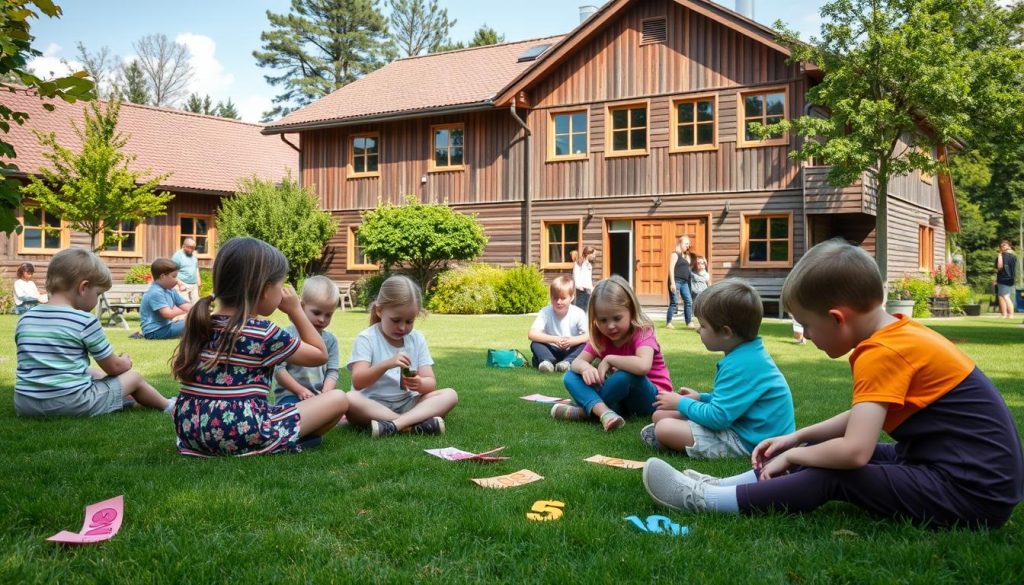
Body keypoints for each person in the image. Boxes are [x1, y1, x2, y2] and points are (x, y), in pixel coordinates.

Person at [643, 239, 1024, 529]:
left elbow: (855, 452)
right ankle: (723, 484)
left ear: (837, 318)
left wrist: (795, 455)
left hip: (971, 493)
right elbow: (864, 415)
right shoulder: (899, 335)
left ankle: (707, 500)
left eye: (807, 325)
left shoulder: (882, 352)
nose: (806, 335)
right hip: (958, 473)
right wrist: (797, 439)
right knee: (818, 448)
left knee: (834, 471)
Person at [171, 237, 348, 456]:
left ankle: (275, 438)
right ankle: (283, 442)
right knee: (339, 399)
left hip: (191, 431)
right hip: (241, 431)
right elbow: (320, 354)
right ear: (265, 290)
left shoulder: (199, 321)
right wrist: (295, 311)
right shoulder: (263, 332)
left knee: (269, 409)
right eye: (280, 285)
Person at [641, 279, 795, 458]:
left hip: (752, 441)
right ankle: (671, 436)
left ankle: (668, 438)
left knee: (664, 428)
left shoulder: (739, 365)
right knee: (660, 415)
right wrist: (701, 398)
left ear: (726, 332)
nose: (698, 330)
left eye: (703, 325)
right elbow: (734, 401)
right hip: (744, 426)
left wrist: (680, 403)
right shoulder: (748, 355)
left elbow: (718, 418)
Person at [14, 248, 174, 417]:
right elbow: (114, 367)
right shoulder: (83, 320)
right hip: (72, 403)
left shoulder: (26, 318)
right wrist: (125, 361)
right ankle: (168, 405)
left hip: (26, 404)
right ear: (84, 287)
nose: (97, 299)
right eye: (98, 293)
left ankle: (125, 400)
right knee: (133, 378)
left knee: (93, 373)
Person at [553, 275, 674, 432]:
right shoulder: (601, 337)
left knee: (625, 376)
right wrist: (586, 369)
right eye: (603, 320)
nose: (610, 326)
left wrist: (610, 359)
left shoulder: (643, 331)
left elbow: (643, 366)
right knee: (571, 376)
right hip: (620, 399)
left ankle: (586, 412)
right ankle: (604, 412)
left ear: (631, 310)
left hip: (655, 400)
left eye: (617, 318)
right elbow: (577, 362)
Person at [346, 275, 459, 438]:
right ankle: (413, 424)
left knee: (450, 394)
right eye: (396, 320)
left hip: (409, 403)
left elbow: (430, 383)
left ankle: (394, 425)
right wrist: (386, 364)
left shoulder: (417, 339)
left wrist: (420, 383)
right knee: (349, 399)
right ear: (379, 311)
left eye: (409, 321)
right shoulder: (367, 338)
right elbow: (358, 381)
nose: (402, 327)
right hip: (373, 405)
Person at [273, 276, 341, 405]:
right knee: (296, 412)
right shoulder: (288, 335)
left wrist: (325, 394)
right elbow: (279, 370)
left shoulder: (330, 340)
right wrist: (300, 390)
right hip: (290, 396)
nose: (322, 319)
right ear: (302, 306)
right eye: (316, 312)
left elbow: (332, 371)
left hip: (319, 396)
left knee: (341, 399)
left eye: (328, 315)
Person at [528, 275, 589, 373]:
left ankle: (567, 363)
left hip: (570, 349)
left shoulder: (578, 313)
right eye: (555, 298)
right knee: (535, 344)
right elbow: (532, 334)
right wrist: (555, 340)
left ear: (571, 297)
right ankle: (547, 362)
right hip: (551, 348)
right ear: (551, 297)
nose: (558, 302)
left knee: (585, 345)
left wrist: (572, 341)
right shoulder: (545, 312)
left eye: (563, 298)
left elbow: (588, 336)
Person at [138, 258, 192, 340]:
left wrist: (201, 310)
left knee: (197, 321)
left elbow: (185, 305)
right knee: (194, 323)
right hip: (154, 332)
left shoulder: (170, 290)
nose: (176, 280)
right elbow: (168, 314)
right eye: (174, 276)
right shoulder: (156, 292)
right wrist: (188, 310)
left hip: (166, 327)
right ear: (162, 276)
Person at [666, 236, 694, 329]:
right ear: (680, 243)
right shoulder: (675, 254)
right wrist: (672, 283)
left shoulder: (684, 256)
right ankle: (669, 323)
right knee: (674, 302)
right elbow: (671, 268)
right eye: (686, 244)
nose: (688, 246)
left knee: (688, 301)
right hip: (676, 281)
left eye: (688, 244)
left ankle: (689, 322)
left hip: (685, 282)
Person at [172, 237, 202, 304]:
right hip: (182, 284)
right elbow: (172, 273)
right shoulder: (177, 256)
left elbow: (196, 267)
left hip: (194, 284)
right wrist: (180, 285)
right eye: (190, 247)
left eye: (194, 247)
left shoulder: (194, 254)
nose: (192, 249)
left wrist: (198, 279)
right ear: (183, 246)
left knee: (196, 305)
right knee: (185, 306)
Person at [995, 240, 1016, 319]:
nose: (1002, 247)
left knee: (1005, 296)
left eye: (1003, 246)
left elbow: (999, 267)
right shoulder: (1013, 256)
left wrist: (1000, 255)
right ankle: (1004, 314)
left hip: (1004, 278)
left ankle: (1010, 314)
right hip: (1010, 278)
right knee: (1002, 296)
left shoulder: (1002, 255)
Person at [573, 246, 596, 310]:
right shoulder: (579, 263)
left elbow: (588, 279)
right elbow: (576, 275)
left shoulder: (589, 264)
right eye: (593, 254)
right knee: (580, 309)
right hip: (582, 290)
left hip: (588, 290)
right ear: (588, 254)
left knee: (587, 310)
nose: (594, 256)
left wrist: (591, 288)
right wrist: (579, 286)